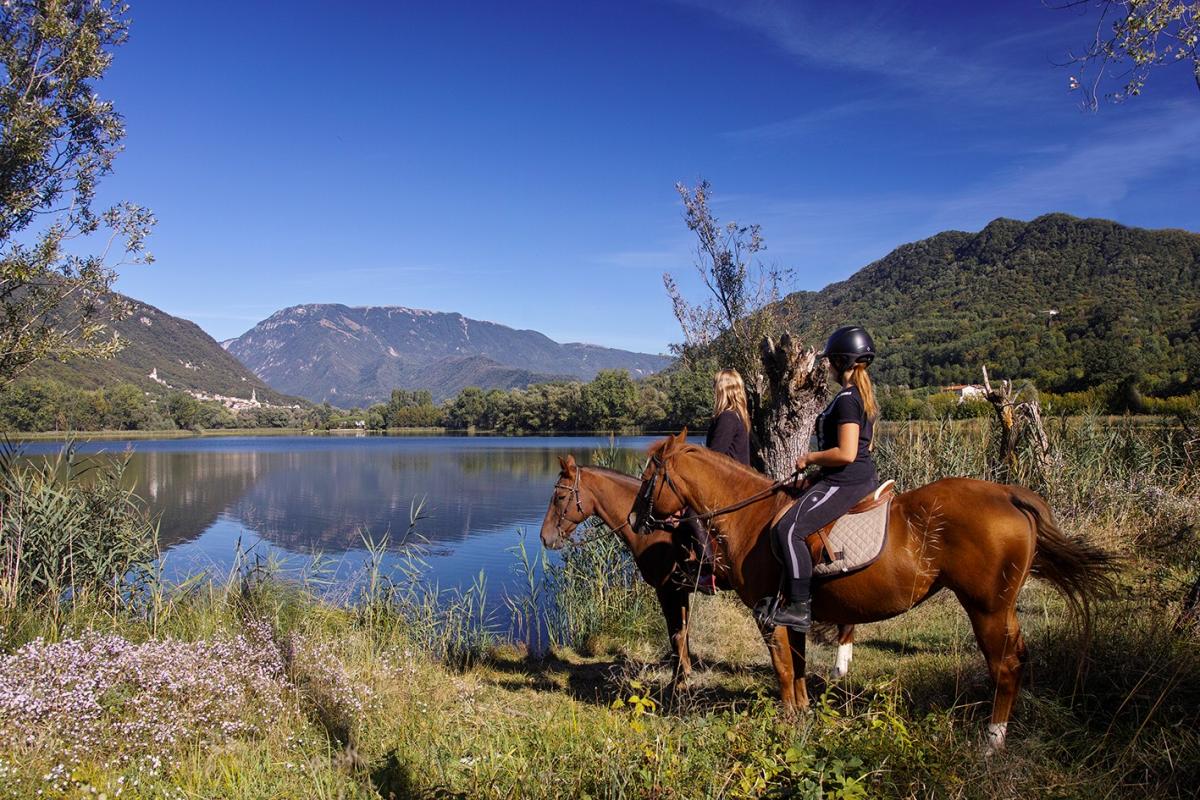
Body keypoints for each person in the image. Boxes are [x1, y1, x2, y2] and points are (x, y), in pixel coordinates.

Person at [770, 326, 880, 631]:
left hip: (847, 482)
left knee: (788, 529)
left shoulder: (846, 399)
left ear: (841, 361)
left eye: (831, 360)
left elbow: (846, 453)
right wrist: (816, 475)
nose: (828, 365)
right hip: (847, 477)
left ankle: (799, 607)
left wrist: (809, 458)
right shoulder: (858, 395)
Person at [679, 368, 751, 593]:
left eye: (715, 386)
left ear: (722, 389)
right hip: (736, 483)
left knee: (692, 515)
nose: (713, 391)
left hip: (728, 487)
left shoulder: (727, 418)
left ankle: (708, 572)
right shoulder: (738, 415)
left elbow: (713, 460)